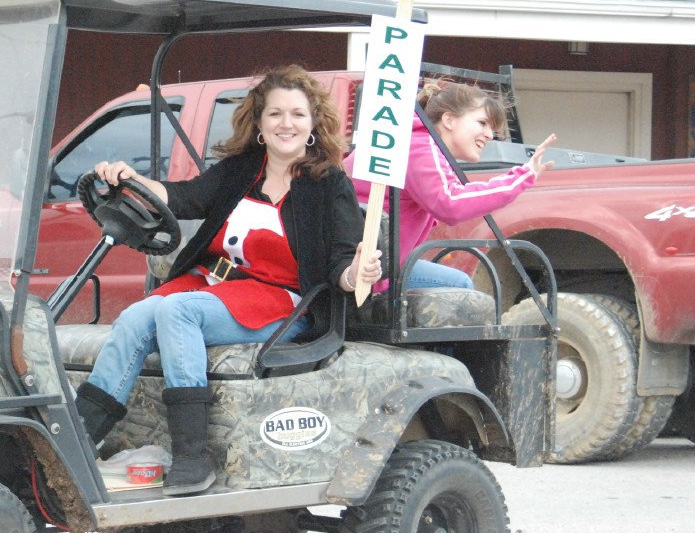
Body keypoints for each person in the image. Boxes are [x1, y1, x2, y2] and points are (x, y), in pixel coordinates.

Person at [74, 64, 382, 496]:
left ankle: (192, 457)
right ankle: (79, 438)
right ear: (259, 122)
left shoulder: (328, 185)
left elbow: (342, 264)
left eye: (297, 114)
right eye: (275, 114)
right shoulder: (242, 169)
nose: (286, 124)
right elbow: (183, 196)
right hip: (214, 287)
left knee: (177, 310)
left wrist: (357, 274)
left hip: (284, 303)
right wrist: (132, 180)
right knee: (135, 316)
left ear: (313, 123)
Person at [344, 78, 555, 290]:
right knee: (457, 286)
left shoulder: (412, 140)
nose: (490, 135)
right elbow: (451, 204)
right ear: (449, 120)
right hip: (360, 268)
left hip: (372, 262)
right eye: (482, 123)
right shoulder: (420, 147)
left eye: (492, 128)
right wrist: (522, 177)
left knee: (454, 282)